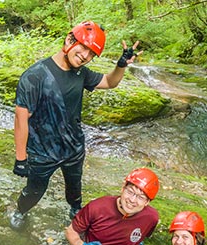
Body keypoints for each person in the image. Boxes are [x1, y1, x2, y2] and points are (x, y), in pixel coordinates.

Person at [9, 21, 142, 229]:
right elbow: (21, 118)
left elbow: (109, 82)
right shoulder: (35, 76)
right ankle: (21, 211)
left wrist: (121, 64)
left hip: (73, 147)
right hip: (42, 151)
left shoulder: (82, 73)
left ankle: (75, 208)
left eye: (91, 54)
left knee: (74, 186)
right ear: (70, 40)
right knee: (34, 190)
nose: (85, 56)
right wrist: (20, 158)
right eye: (84, 49)